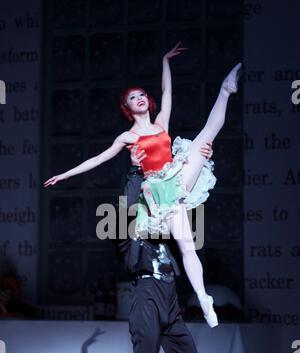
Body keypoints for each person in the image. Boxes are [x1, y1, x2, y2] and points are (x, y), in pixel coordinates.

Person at [43, 41, 243, 328]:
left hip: (177, 174)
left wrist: (165, 60)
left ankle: (226, 89)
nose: (138, 98)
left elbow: (167, 92)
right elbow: (98, 159)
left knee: (205, 139)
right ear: (126, 107)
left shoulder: (161, 123)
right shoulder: (128, 137)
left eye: (141, 94)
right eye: (132, 97)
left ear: (147, 101)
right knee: (187, 245)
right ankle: (203, 297)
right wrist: (64, 175)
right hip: (159, 190)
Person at [114, 141, 212, 353]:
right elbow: (128, 206)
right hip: (146, 299)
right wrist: (133, 169)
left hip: (171, 303)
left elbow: (176, 195)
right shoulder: (129, 237)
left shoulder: (162, 232)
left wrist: (196, 158)